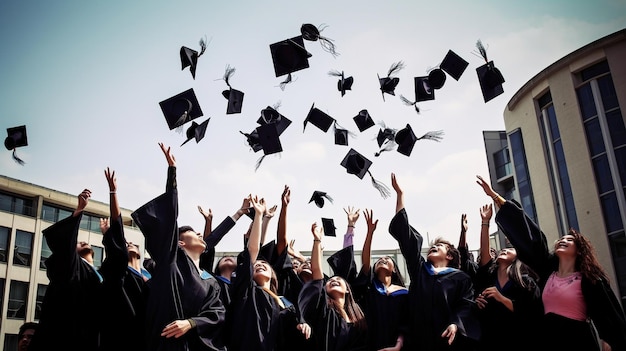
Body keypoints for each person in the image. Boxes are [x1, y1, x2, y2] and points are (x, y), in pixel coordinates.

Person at [477, 175, 626, 351]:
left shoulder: (590, 280)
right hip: (549, 341)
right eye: (561, 238)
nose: (563, 240)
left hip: (578, 341)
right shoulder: (547, 270)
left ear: (579, 250)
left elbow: (611, 323)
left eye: (569, 240)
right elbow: (528, 234)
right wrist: (495, 196)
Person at [131, 143, 226, 351]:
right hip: (165, 344)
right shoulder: (171, 262)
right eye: (193, 232)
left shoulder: (210, 281)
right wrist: (172, 174)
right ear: (180, 243)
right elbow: (168, 221)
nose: (200, 234)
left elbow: (217, 313)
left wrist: (191, 322)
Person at [388, 173, 481, 351]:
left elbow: (465, 305)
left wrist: (455, 324)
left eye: (439, 246)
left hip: (445, 340)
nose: (433, 247)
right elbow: (408, 241)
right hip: (418, 341)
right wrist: (400, 195)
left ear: (450, 256)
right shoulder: (420, 270)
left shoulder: (461, 278)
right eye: (433, 246)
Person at [227, 193, 309, 351]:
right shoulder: (246, 290)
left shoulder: (286, 302)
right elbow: (252, 250)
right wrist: (259, 216)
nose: (259, 264)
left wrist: (302, 325)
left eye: (264, 263)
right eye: (256, 264)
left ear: (273, 274)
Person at [28, 188, 104, 351]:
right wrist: (79, 211)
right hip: (68, 336)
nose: (83, 242)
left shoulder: (99, 274)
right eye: (78, 241)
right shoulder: (70, 265)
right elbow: (64, 248)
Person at [471, 202, 542, 351]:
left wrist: (501, 298)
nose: (504, 250)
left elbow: (531, 314)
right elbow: (484, 252)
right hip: (490, 339)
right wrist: (485, 222)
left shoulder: (526, 282)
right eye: (502, 249)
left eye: (510, 249)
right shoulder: (489, 276)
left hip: (516, 340)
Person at [99, 167, 150, 351]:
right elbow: (117, 235)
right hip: (124, 337)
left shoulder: (150, 271)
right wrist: (113, 192)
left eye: (132, 243)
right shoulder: (118, 271)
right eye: (125, 242)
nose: (128, 243)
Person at [298, 221, 368, 351]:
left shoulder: (359, 318)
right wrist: (317, 241)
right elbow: (317, 272)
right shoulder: (325, 309)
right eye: (330, 281)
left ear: (348, 289)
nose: (333, 280)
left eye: (338, 279)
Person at [353, 208, 409, 351]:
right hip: (370, 343)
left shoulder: (404, 293)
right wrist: (370, 233)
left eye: (387, 259)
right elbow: (365, 262)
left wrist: (398, 345)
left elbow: (406, 322)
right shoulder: (370, 286)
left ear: (394, 269)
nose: (382, 259)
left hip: (396, 346)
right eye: (379, 260)